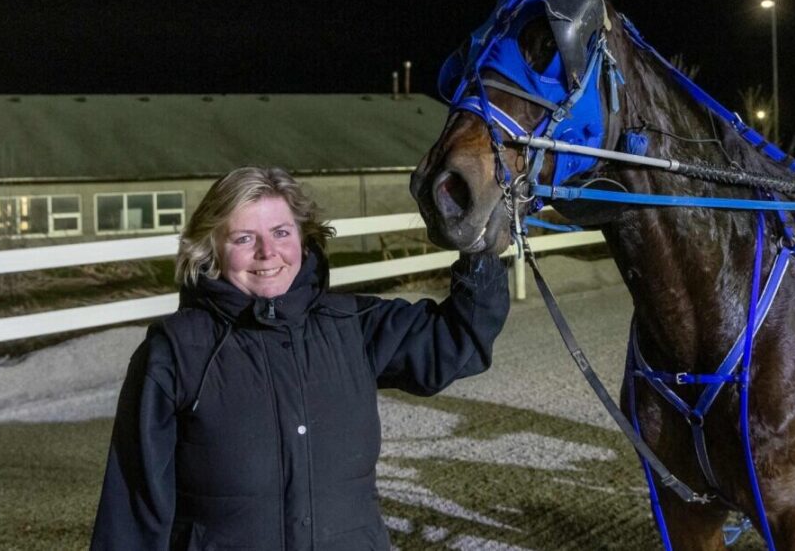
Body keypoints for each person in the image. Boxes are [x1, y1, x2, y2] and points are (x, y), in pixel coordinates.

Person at [90, 166, 509, 550]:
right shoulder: (175, 352)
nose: (267, 253)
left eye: (281, 232)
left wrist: (478, 244)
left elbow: (457, 340)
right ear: (210, 248)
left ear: (305, 238)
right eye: (243, 238)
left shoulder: (354, 326)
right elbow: (132, 509)